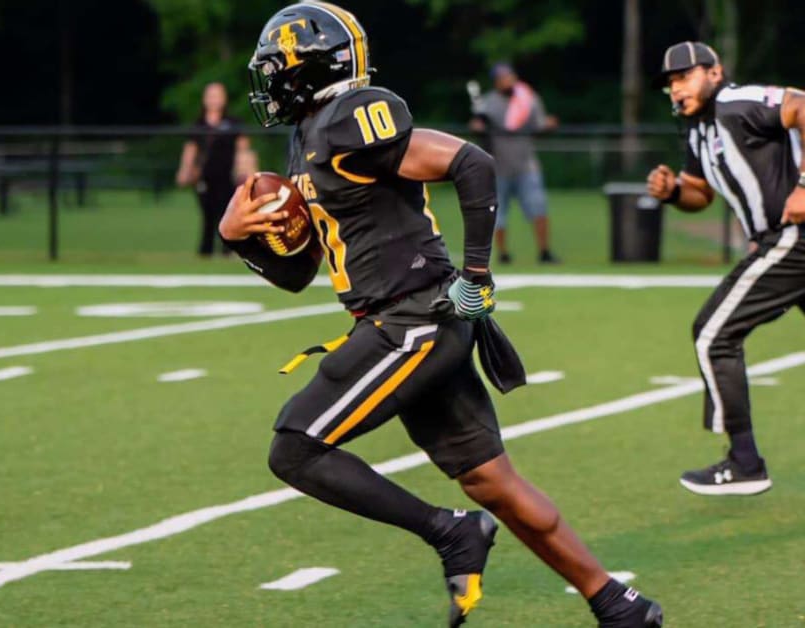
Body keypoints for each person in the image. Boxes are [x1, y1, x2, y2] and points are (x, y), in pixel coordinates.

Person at [221, 3, 662, 626]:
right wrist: (237, 235)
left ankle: (451, 532)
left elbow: (472, 162)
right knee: (491, 483)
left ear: (312, 67)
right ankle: (617, 604)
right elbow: (297, 275)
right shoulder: (308, 136)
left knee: (294, 448)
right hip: (406, 323)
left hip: (413, 321)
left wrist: (476, 275)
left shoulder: (351, 116)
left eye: (276, 71)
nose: (269, 85)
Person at [645, 41, 805, 496]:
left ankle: (744, 462)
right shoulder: (697, 130)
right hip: (784, 242)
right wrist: (673, 193)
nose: (676, 88)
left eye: (685, 76)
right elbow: (699, 193)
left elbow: (803, 105)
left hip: (793, 238)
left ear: (714, 72)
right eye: (670, 83)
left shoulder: (737, 102)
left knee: (713, 335)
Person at [469, 62, 559, 264]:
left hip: (526, 165)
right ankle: (503, 254)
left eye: (510, 77)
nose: (507, 81)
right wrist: (477, 127)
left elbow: (539, 125)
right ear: (496, 82)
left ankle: (545, 252)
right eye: (503, 78)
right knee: (497, 213)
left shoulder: (528, 99)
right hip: (498, 167)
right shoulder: (487, 103)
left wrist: (548, 125)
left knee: (539, 208)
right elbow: (478, 127)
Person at [175, 82, 255, 257]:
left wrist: (248, 173)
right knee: (208, 216)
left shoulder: (233, 123)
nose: (214, 100)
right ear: (205, 99)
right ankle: (206, 251)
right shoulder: (198, 125)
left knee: (227, 214)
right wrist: (185, 171)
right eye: (211, 96)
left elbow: (244, 150)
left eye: (218, 95)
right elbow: (190, 151)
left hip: (228, 178)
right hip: (205, 178)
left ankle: (227, 251)